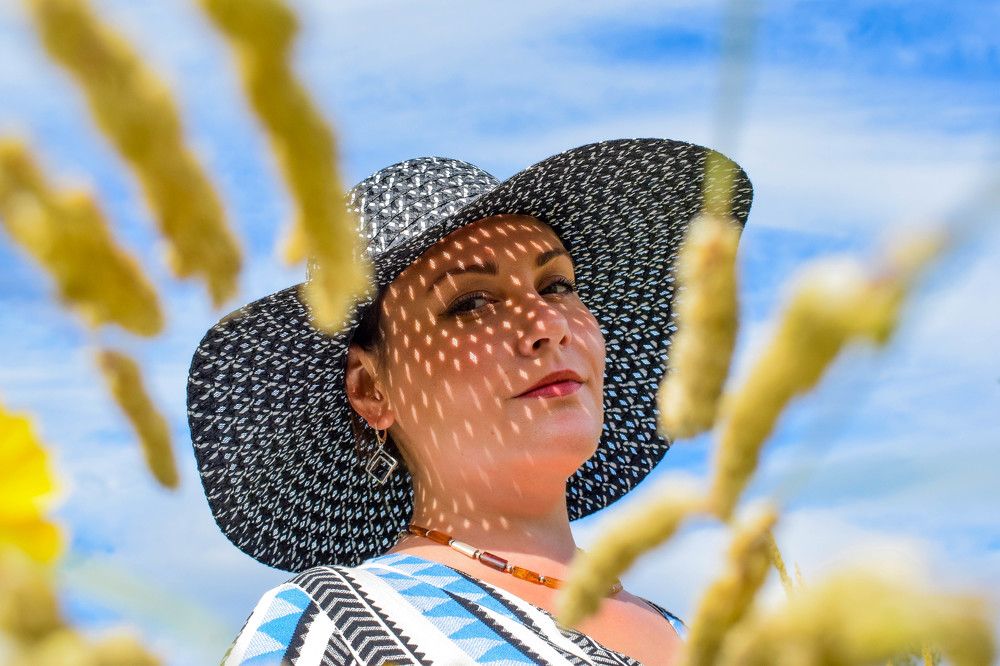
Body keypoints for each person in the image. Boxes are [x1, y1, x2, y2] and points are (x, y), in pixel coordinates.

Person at [186, 138, 753, 665]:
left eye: (557, 285)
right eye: (471, 303)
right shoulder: (336, 626)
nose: (547, 324)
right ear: (369, 388)